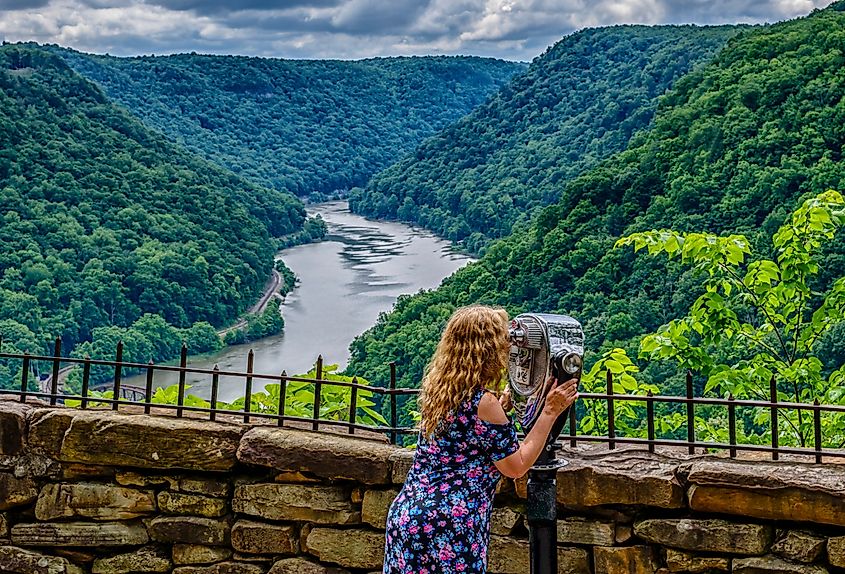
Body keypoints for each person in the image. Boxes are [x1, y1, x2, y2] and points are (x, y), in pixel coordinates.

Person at [383, 305, 579, 574]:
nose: (510, 345)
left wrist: (502, 408)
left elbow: (465, 437)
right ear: (489, 349)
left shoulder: (440, 390)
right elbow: (517, 466)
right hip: (449, 525)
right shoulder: (484, 404)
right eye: (505, 339)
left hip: (407, 516)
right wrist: (549, 411)